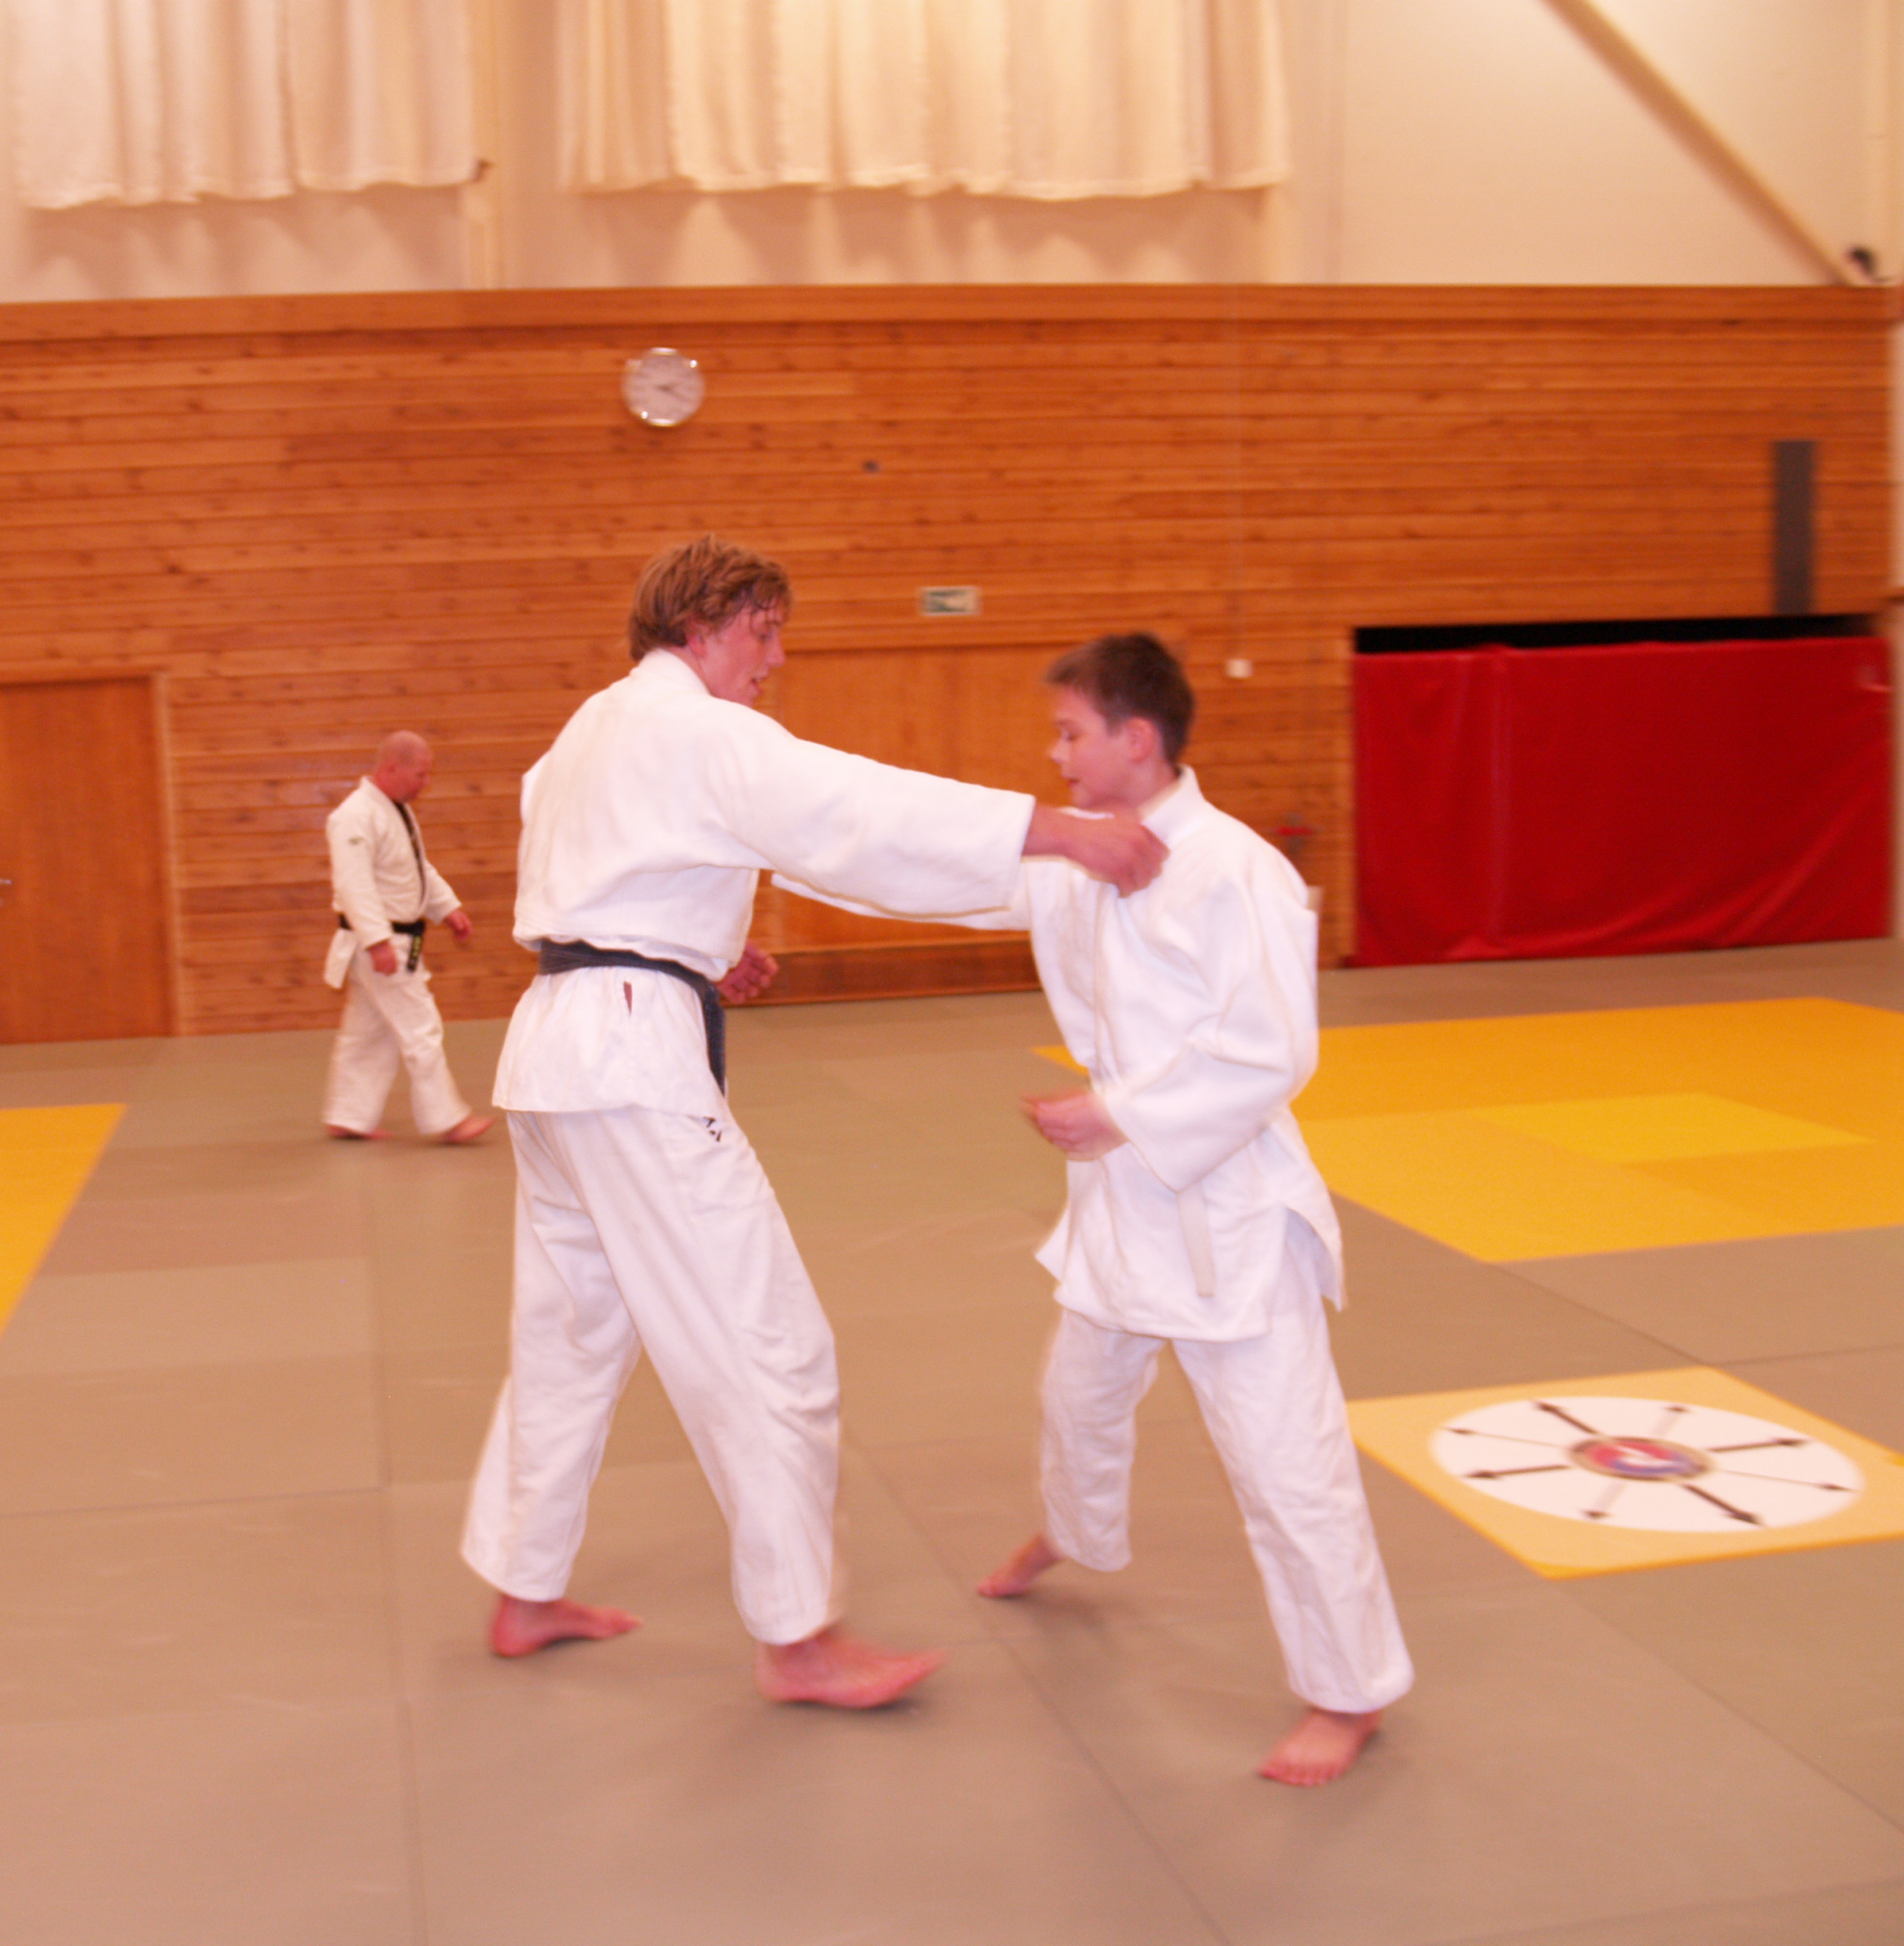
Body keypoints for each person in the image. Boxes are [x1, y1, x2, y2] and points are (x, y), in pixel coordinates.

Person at [459, 537, 1166, 1709]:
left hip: (555, 1053)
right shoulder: (700, 731)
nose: (775, 658)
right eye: (764, 632)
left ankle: (524, 1590)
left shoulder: (588, 732)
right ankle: (800, 1640)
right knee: (768, 1345)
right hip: (630, 1062)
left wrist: (699, 946)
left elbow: (608, 866)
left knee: (572, 1335)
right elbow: (854, 813)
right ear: (702, 627)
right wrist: (1057, 830)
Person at [908, 632, 1410, 1784]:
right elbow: (943, 871)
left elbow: (1272, 1051)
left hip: (1227, 1210)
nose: (1056, 754)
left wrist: (1119, 1112)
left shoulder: (1235, 870)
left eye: (1071, 733)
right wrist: (770, 846)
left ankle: (1349, 1691)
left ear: (1137, 739)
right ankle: (1074, 1533)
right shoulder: (1078, 855)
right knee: (1077, 1397)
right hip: (1122, 1204)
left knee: (1285, 1464)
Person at [321, 731, 496, 1144]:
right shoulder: (355, 816)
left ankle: (348, 1115)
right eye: (420, 775)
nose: (425, 783)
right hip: (382, 943)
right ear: (391, 768)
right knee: (421, 1028)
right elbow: (354, 884)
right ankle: (447, 1119)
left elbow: (416, 869)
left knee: (368, 1034)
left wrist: (447, 908)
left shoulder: (394, 811)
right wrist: (377, 941)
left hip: (390, 940)